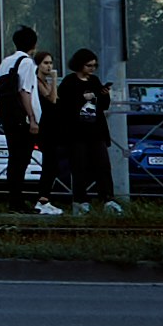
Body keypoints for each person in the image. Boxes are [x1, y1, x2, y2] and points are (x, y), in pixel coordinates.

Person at [0, 25, 47, 211]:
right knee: (21, 160)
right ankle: (18, 203)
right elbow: (25, 91)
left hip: (8, 117)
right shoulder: (28, 63)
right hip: (22, 118)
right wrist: (32, 119)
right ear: (34, 44)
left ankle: (14, 201)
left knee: (14, 160)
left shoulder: (8, 60)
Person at [50, 49, 113, 209]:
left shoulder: (95, 80)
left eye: (94, 65)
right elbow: (62, 105)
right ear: (80, 65)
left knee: (103, 165)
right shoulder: (70, 82)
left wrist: (104, 94)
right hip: (76, 132)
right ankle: (80, 199)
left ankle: (107, 198)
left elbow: (103, 105)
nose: (92, 68)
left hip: (96, 130)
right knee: (79, 166)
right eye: (88, 65)